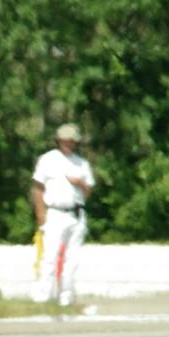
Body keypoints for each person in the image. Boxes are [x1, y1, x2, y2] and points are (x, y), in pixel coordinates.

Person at [31, 123, 95, 306]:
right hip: (55, 212)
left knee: (72, 259)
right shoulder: (48, 160)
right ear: (59, 140)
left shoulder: (82, 163)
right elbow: (38, 188)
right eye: (65, 139)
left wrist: (80, 183)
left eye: (72, 140)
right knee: (49, 256)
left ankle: (66, 297)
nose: (69, 143)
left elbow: (88, 191)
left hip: (76, 213)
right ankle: (43, 296)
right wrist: (40, 214)